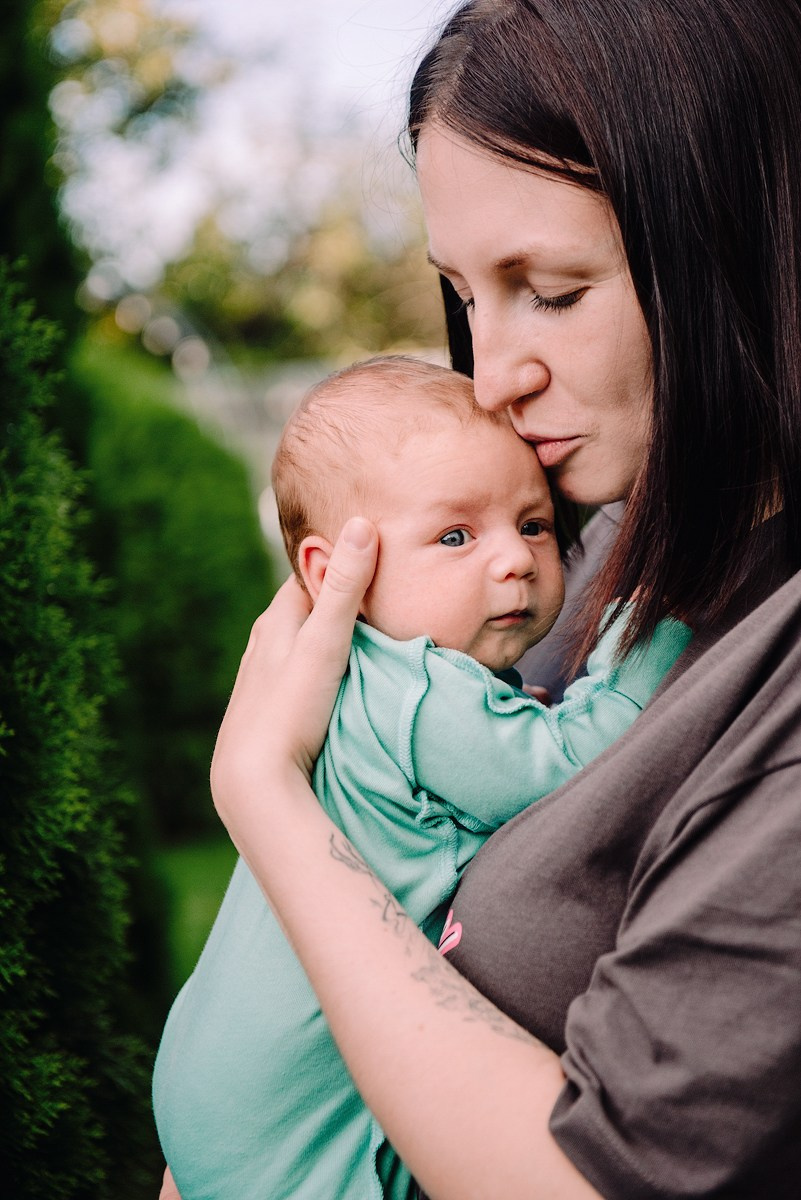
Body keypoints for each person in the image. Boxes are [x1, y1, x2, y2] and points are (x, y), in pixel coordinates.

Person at [164, 1, 801, 1196]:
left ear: (734, 244)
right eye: (465, 295)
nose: (494, 378)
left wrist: (262, 797)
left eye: (550, 291)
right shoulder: (574, 562)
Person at [153, 355, 689, 1200]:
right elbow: (575, 764)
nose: (513, 559)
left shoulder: (358, 680)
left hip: (215, 1086)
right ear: (336, 575)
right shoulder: (416, 691)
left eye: (536, 524)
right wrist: (647, 631)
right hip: (293, 1127)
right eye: (454, 536)